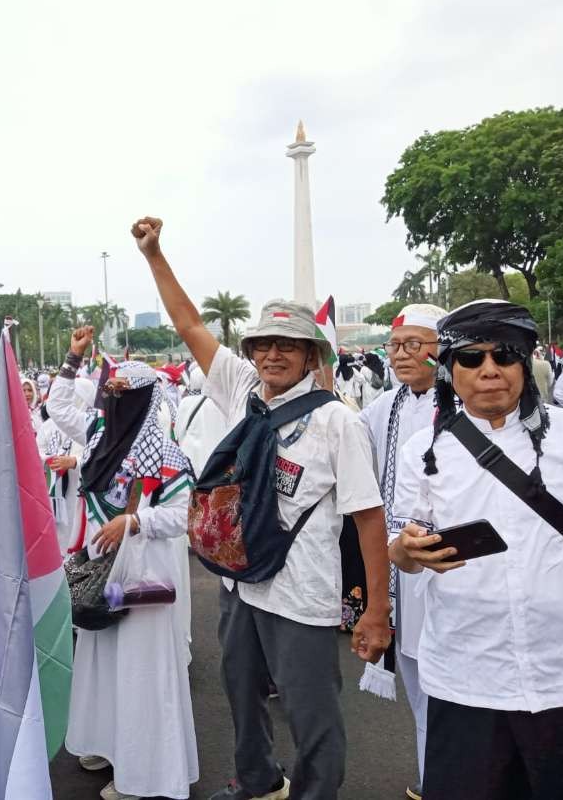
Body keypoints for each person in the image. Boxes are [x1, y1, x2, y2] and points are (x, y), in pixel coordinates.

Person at [134, 215, 391, 800]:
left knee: (311, 714)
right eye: (264, 345)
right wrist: (155, 255)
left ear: (309, 354)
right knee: (241, 691)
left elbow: (368, 518)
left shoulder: (336, 422)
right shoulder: (240, 388)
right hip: (240, 585)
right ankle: (257, 781)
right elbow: (190, 322)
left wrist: (377, 611)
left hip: (302, 596)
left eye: (288, 346)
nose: (273, 355)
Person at [390, 300, 563, 800]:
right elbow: (399, 550)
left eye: (504, 355)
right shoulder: (423, 449)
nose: (489, 371)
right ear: (450, 370)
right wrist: (410, 551)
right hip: (463, 674)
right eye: (471, 359)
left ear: (524, 362)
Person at [48, 334, 199, 800]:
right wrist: (74, 357)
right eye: (109, 393)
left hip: (140, 575)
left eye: (121, 396)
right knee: (104, 659)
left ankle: (144, 772)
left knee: (138, 667)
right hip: (100, 571)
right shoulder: (98, 435)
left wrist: (134, 520)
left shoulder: (165, 453)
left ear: (144, 399)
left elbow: (183, 516)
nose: (111, 402)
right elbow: (56, 405)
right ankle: (108, 744)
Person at [357, 302, 446, 800]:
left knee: (452, 680)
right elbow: (349, 432)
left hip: (452, 566)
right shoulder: (387, 405)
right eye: (394, 345)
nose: (400, 355)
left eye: (414, 344)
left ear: (441, 349)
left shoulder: (462, 400)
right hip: (402, 567)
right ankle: (433, 777)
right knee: (417, 678)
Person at [38, 377, 94, 553]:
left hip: (80, 491)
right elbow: (36, 450)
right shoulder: (49, 426)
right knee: (56, 534)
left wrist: (74, 462)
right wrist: (49, 459)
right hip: (53, 490)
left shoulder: (93, 425)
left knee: (76, 531)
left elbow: (100, 455)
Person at [174, 366, 229, 478]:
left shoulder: (185, 402)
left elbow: (178, 434)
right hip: (219, 464)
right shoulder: (223, 401)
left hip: (192, 461)